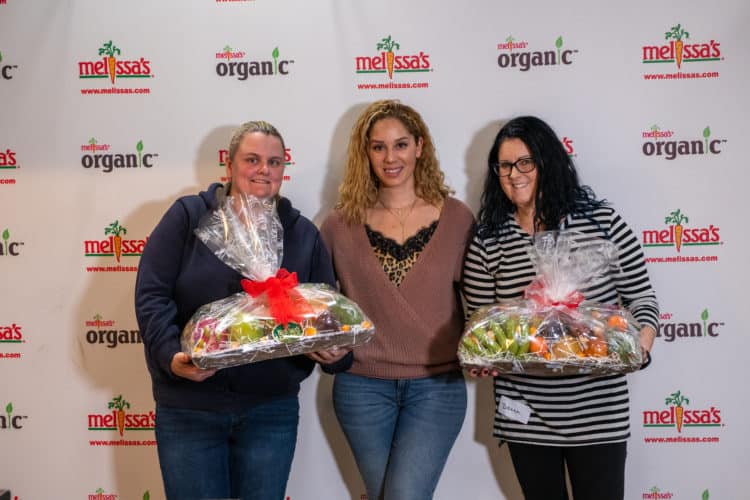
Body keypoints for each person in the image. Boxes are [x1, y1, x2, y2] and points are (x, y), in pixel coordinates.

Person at [134, 121, 350, 500]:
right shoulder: (189, 217)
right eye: (252, 159)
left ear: (284, 169)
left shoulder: (301, 234)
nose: (263, 170)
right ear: (230, 166)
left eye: (274, 162)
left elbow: (324, 307)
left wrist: (335, 354)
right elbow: (152, 293)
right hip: (190, 408)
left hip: (271, 410)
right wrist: (171, 356)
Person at [462, 115, 658, 500]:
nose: (513, 175)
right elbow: (479, 323)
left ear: (547, 163)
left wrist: (642, 346)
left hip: (599, 412)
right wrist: (482, 355)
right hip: (526, 416)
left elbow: (642, 298)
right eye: (504, 165)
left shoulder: (600, 222)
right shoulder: (490, 239)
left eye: (525, 163)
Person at [317, 100, 474, 499]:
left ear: (420, 147)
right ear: (365, 153)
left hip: (436, 388)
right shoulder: (339, 223)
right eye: (378, 147)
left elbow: (480, 299)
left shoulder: (457, 219)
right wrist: (321, 345)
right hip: (361, 389)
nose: (391, 157)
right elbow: (318, 305)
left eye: (401, 145)